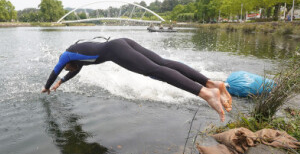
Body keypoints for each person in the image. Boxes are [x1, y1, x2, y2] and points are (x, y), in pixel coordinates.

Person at [42, 38, 232, 122]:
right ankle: (212, 83)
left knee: (155, 70)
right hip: (123, 42)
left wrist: (47, 86)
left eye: (66, 67)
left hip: (116, 50)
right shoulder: (78, 56)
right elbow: (75, 71)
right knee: (162, 63)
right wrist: (61, 83)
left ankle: (206, 94)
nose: (67, 68)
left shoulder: (66, 57)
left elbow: (55, 70)